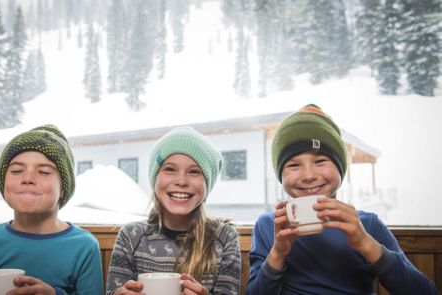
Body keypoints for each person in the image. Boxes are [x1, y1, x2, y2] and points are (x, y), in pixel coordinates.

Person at [246, 104, 439, 294]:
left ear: (340, 167)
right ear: (281, 175)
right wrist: (278, 254)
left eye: (320, 161)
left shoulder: (366, 225)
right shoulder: (269, 225)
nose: (308, 176)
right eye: (294, 165)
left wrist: (366, 244)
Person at [0, 125, 103, 295]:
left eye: (43, 172)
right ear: (3, 184)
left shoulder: (84, 246)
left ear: (63, 188)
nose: (27, 178)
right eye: (17, 170)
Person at [105, 126, 241, 295]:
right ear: (155, 179)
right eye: (170, 169)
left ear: (207, 185)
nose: (181, 181)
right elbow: (113, 291)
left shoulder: (224, 237)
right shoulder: (131, 235)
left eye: (194, 172)